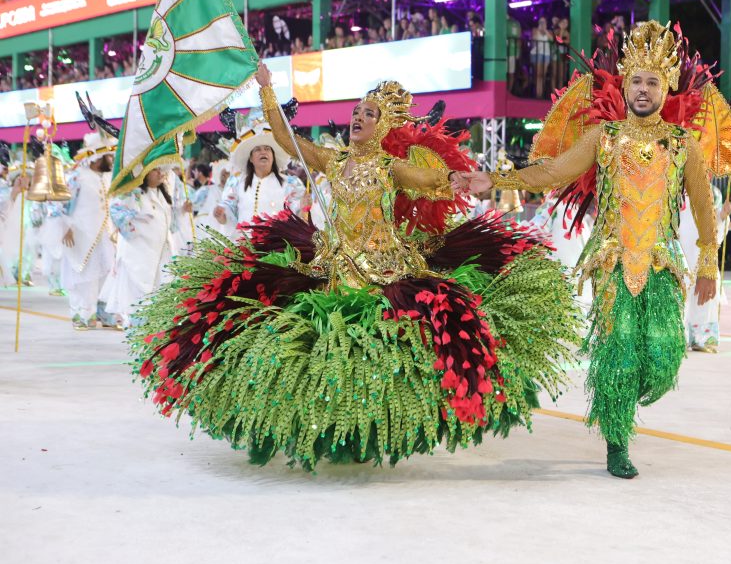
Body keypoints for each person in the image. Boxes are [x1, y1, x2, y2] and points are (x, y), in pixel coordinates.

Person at [127, 63, 580, 471]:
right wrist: (267, 91)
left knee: (394, 342)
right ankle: (322, 424)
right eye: (356, 112)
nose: (358, 118)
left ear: (383, 127)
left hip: (384, 267)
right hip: (332, 262)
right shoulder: (333, 159)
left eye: (369, 114)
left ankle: (377, 422)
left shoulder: (390, 166)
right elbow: (287, 139)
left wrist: (459, 179)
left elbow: (433, 180)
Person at [459, 21, 720, 478]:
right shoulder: (604, 138)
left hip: (660, 264)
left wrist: (708, 265)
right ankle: (617, 442)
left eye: (652, 81)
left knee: (663, 355)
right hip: (613, 263)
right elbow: (552, 172)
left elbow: (703, 208)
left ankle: (623, 394)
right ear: (624, 84)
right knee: (618, 350)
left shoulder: (683, 146)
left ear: (668, 86)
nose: (642, 89)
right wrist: (494, 181)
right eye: (635, 80)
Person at [101, 167, 180, 324]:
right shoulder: (132, 192)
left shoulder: (162, 193)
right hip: (137, 256)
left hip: (159, 253)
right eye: (155, 170)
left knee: (157, 296)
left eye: (162, 169)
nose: (161, 173)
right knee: (137, 301)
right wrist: (136, 224)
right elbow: (116, 211)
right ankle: (136, 337)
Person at [59, 132, 120, 331]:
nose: (111, 160)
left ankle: (105, 313)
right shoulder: (78, 177)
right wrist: (66, 227)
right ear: (95, 159)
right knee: (84, 277)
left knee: (106, 273)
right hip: (81, 234)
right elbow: (64, 203)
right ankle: (83, 314)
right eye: (108, 157)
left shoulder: (107, 177)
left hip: (105, 236)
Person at [212, 114, 304, 239]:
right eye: (258, 149)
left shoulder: (290, 183)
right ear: (250, 158)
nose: (263, 152)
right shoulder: (236, 182)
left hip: (277, 247)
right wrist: (221, 214)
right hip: (243, 246)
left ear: (273, 156)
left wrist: (303, 206)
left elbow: (298, 211)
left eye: (267, 149)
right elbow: (228, 209)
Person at [680, 179, 731, 352]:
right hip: (680, 250)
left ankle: (701, 339)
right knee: (679, 295)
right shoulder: (673, 189)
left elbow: (714, 221)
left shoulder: (712, 192)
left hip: (702, 254)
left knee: (704, 299)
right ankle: (679, 337)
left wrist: (723, 215)